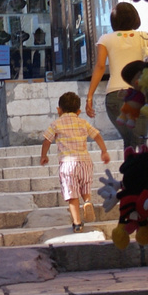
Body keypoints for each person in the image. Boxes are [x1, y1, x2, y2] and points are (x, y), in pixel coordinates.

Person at [85, 2, 148, 149]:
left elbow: (100, 67)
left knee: (129, 142)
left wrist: (90, 96)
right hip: (140, 94)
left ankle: (131, 169)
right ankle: (140, 169)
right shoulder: (144, 37)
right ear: (134, 17)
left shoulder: (106, 39)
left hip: (114, 95)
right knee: (140, 141)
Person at [39, 91, 110, 231]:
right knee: (84, 186)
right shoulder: (83, 122)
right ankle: (88, 201)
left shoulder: (56, 124)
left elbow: (47, 141)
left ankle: (77, 223)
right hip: (85, 161)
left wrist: (44, 156)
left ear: (59, 110)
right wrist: (104, 151)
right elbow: (97, 136)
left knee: (72, 193)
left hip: (67, 164)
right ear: (78, 111)